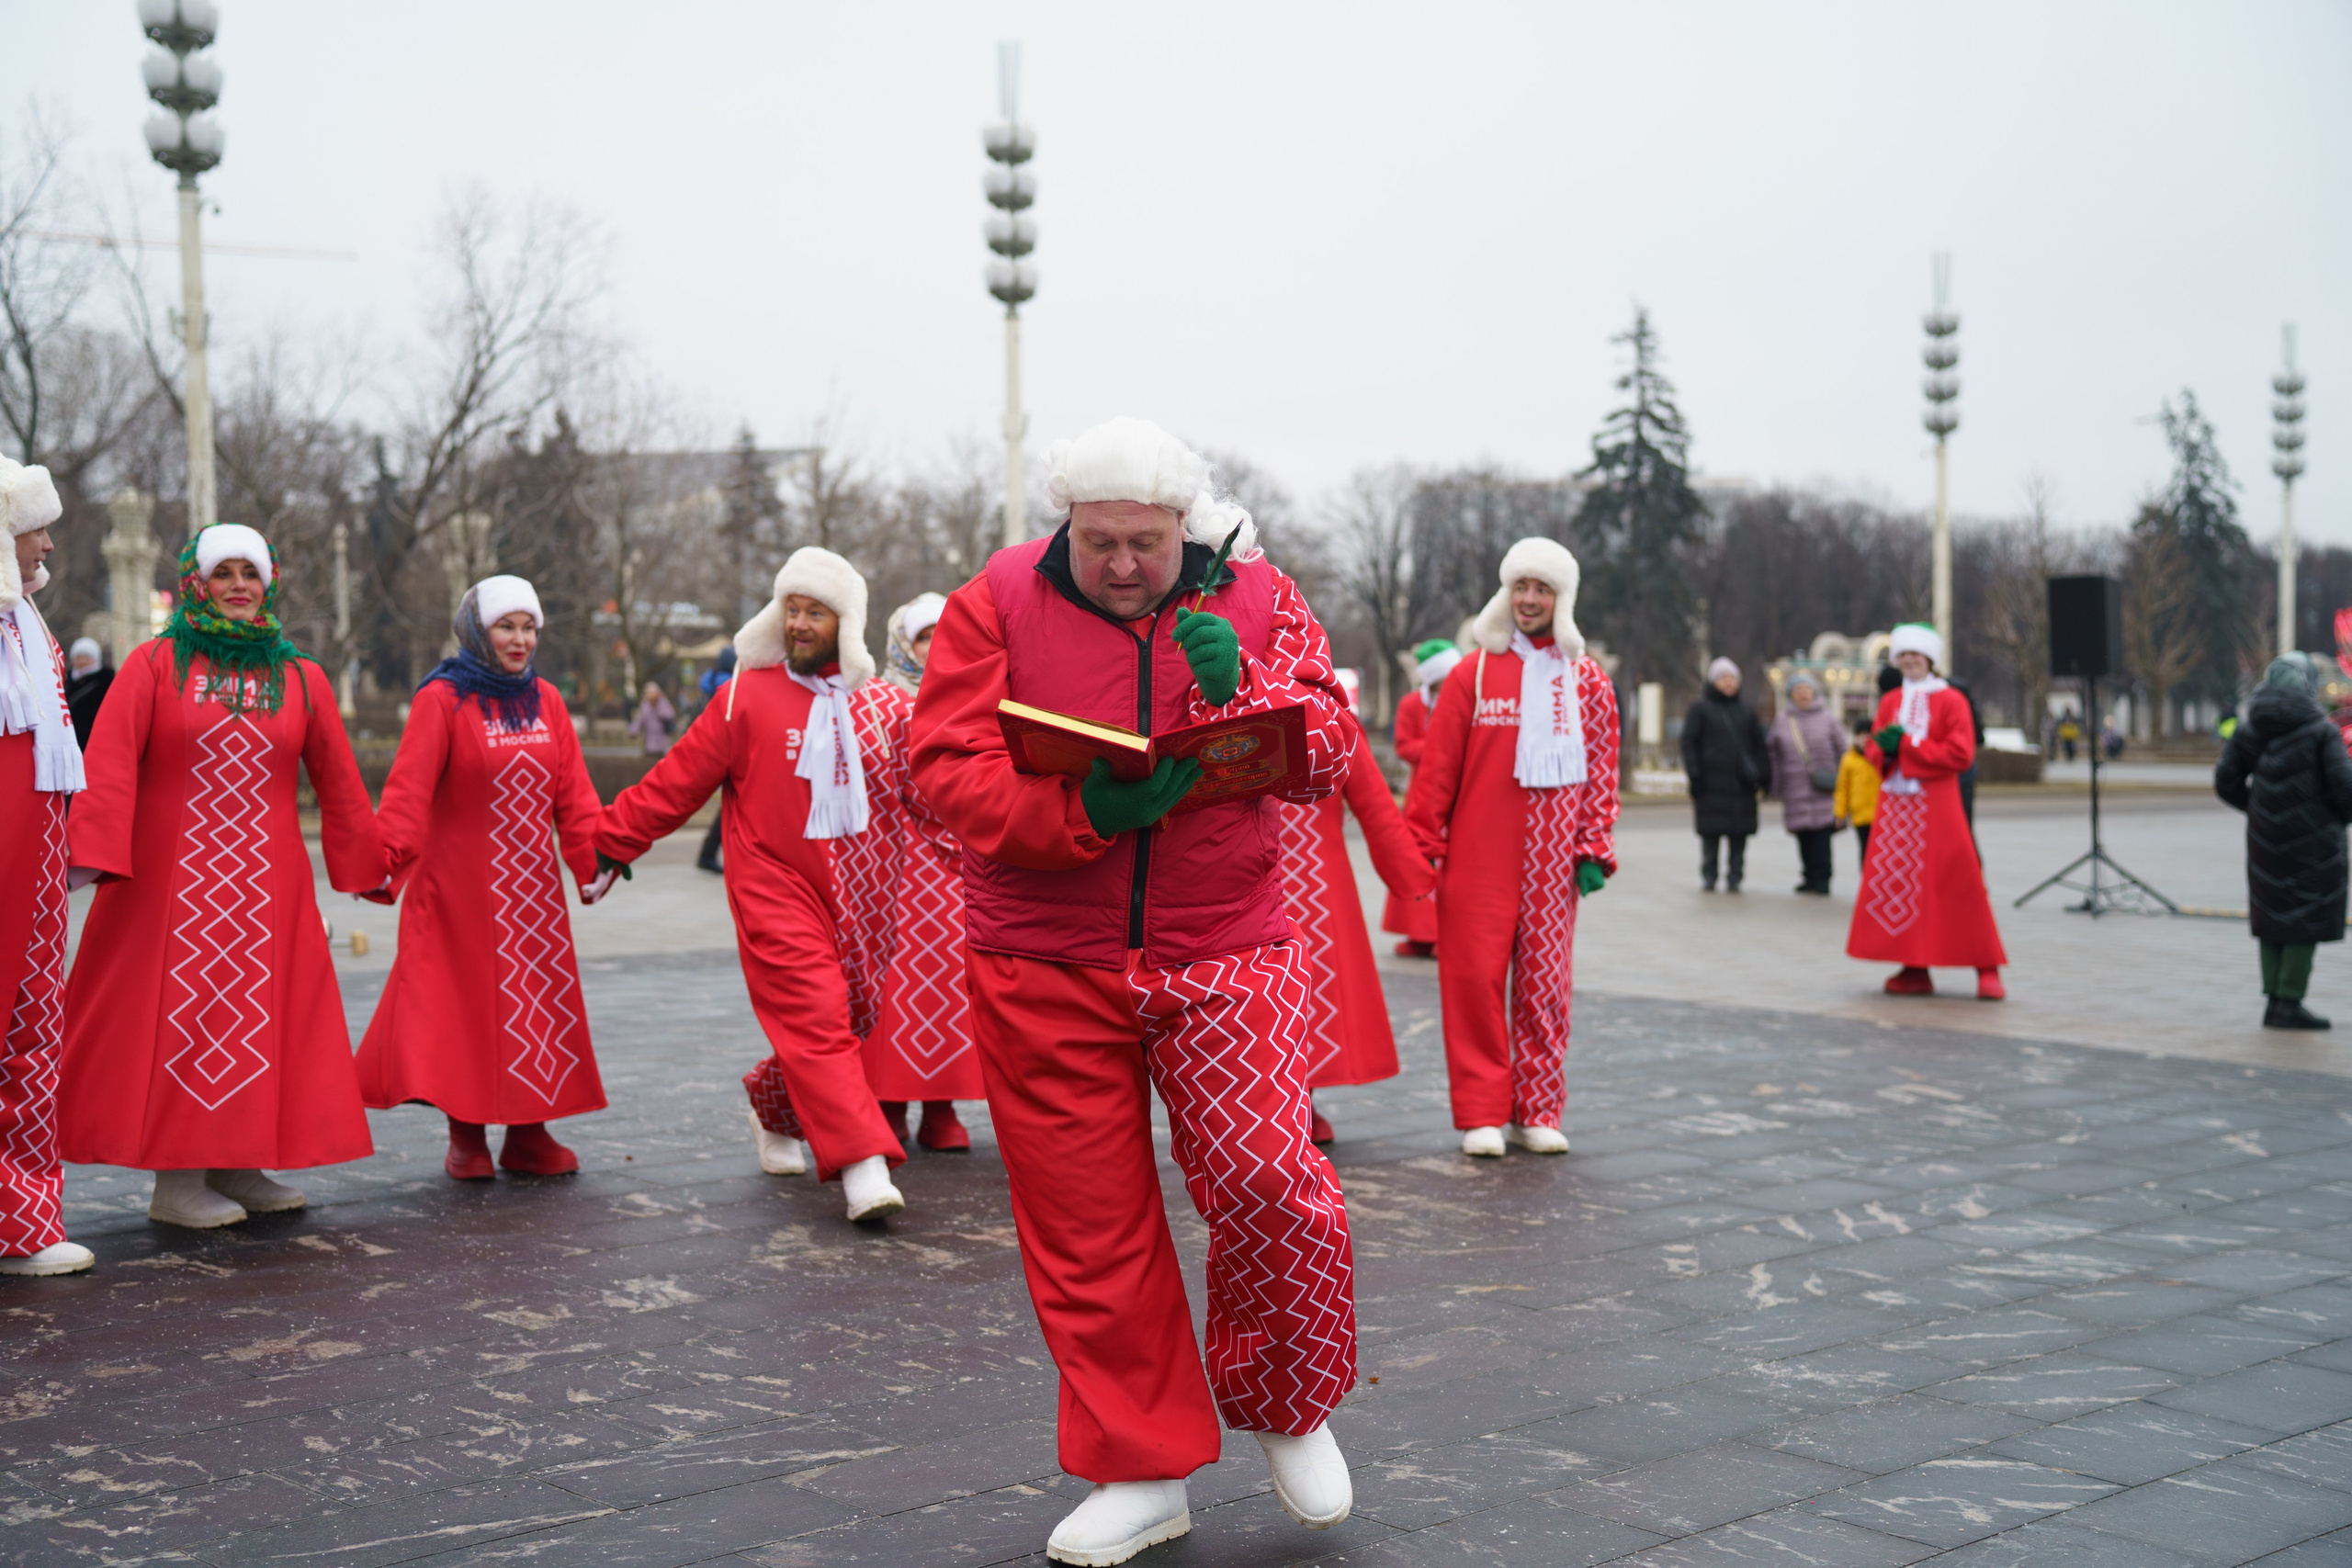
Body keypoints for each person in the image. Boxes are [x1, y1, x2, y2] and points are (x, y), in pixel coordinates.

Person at [909, 418, 1358, 1562]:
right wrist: (1078, 815)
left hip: (1226, 943)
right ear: (1067, 523)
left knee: (1268, 1177)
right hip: (1041, 952)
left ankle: (1288, 1399)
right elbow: (941, 767)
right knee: (1085, 1225)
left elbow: (1336, 748)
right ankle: (1140, 1466)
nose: (1117, 565)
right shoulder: (998, 597)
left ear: (1181, 528)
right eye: (1097, 540)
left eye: (1142, 544)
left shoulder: (1257, 592)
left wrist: (1252, 686)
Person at [60, 524, 384, 1228]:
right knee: (184, 1017)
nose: (239, 584)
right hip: (171, 888)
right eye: (224, 571)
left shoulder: (300, 677)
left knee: (263, 1022)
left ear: (269, 583)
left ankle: (239, 1164)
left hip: (269, 888)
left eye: (251, 572)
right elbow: (109, 762)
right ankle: (175, 1183)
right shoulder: (155, 664)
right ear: (196, 582)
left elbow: (340, 783)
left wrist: (369, 865)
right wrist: (88, 854)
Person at [596, 547, 910, 1222]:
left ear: (845, 620)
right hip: (771, 886)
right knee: (821, 1015)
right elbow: (675, 782)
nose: (799, 623)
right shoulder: (744, 695)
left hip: (857, 897)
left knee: (843, 1019)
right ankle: (863, 1166)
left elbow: (938, 784)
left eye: (814, 612)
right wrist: (608, 843)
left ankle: (771, 1105)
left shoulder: (877, 703)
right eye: (790, 609)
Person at [356, 576, 617, 1179]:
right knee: (464, 1013)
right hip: (458, 894)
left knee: (535, 1009)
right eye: (507, 626)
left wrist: (590, 860)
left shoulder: (546, 700)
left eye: (529, 627)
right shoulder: (442, 698)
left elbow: (575, 794)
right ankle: (465, 1137)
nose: (520, 640)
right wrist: (382, 862)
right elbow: (407, 794)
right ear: (478, 629)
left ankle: (529, 1134)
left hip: (531, 896)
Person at [1405, 538, 1621, 1159]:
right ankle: (1482, 1113)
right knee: (1472, 981)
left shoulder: (1588, 680)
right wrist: (1423, 843)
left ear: (1563, 598)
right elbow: (1438, 770)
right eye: (1521, 586)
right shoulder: (1474, 672)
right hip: (1478, 858)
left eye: (1542, 589)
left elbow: (1604, 769)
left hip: (1555, 864)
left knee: (1544, 987)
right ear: (1507, 592)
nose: (1529, 599)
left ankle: (1538, 1108)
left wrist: (1594, 845)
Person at [0, 460, 93, 1276]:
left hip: (36, 857)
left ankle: (25, 1218)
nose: (49, 542)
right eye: (36, 526)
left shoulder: (28, 621)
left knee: (34, 1035)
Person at [860, 590, 981, 1153]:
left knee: (948, 989)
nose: (934, 647)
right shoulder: (878, 698)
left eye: (942, 635)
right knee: (892, 988)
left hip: (955, 869)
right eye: (923, 636)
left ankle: (942, 1106)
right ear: (904, 645)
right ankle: (885, 1103)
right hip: (895, 866)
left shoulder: (973, 697)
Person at [1281, 704, 1434, 1145]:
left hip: (1317, 883)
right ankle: (1270, 1107)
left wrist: (1415, 876)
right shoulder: (1217, 699)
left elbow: (1374, 803)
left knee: (1312, 994)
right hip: (1240, 873)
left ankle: (1300, 1103)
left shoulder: (1328, 714)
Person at [1846, 623, 2007, 999]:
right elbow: (1874, 749)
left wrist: (1910, 746)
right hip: (1898, 808)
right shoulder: (1889, 702)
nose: (1909, 661)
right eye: (1903, 656)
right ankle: (1914, 967)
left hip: (1939, 804)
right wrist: (1884, 750)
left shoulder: (1951, 700)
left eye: (1915, 655)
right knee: (1904, 887)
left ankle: (1987, 966)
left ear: (1930, 659)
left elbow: (1961, 753)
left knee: (1958, 880)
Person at [2215, 653, 2352, 1031]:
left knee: (2272, 911)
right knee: (2305, 916)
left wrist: (2257, 810)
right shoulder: (2321, 732)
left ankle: (2274, 999)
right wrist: (2336, 818)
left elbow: (2225, 782)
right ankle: (2290, 1001)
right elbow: (2346, 789)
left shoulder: (2248, 729)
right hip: (2315, 844)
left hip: (2264, 840)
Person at [1383, 638, 1459, 958]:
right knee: (1416, 857)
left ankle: (1449, 933)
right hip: (1422, 792)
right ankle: (1419, 933)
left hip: (1458, 792)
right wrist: (1439, 751)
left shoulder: (1466, 699)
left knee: (1453, 862)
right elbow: (1404, 745)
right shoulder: (1413, 704)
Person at [1682, 656, 1765, 892]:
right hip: (1710, 784)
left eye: (1732, 679)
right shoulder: (1700, 709)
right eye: (1723, 678)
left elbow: (1758, 745)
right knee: (1711, 834)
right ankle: (1710, 874)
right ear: (1714, 681)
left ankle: (1735, 876)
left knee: (1739, 836)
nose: (1729, 683)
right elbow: (1689, 743)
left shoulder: (1746, 711)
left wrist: (1762, 774)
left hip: (1741, 785)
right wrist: (1695, 775)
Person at [1767, 671, 1846, 895]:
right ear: (1791, 694)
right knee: (1803, 835)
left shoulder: (1828, 718)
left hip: (1824, 788)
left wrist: (1843, 780)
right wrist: (1775, 785)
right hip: (1795, 788)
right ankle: (1809, 876)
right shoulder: (1782, 720)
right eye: (1798, 691)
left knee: (1822, 835)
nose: (1803, 694)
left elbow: (1842, 750)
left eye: (1807, 690)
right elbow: (1773, 754)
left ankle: (1823, 878)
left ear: (1814, 692)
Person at [693, 647, 737, 874]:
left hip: (709, 749)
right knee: (733, 805)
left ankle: (707, 853)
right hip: (730, 750)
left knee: (727, 806)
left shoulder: (708, 682)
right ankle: (708, 854)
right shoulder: (732, 685)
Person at [1834, 712, 1881, 863]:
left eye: (1869, 734)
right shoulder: (1849, 759)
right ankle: (1865, 883)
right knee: (1865, 851)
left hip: (1880, 813)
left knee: (1880, 851)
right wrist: (1839, 813)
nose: (1865, 739)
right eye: (1861, 735)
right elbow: (1842, 787)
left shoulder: (1882, 757)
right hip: (1860, 814)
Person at [64, 637, 110, 750]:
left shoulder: (106, 680)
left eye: (86, 657)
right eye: (78, 657)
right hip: (71, 737)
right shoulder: (66, 680)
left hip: (96, 736)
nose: (82, 661)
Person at [627, 681, 675, 757]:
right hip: (648, 743)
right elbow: (640, 719)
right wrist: (633, 731)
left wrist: (657, 708)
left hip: (661, 744)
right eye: (648, 693)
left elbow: (670, 716)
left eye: (652, 693)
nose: (650, 695)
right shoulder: (645, 705)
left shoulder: (663, 703)